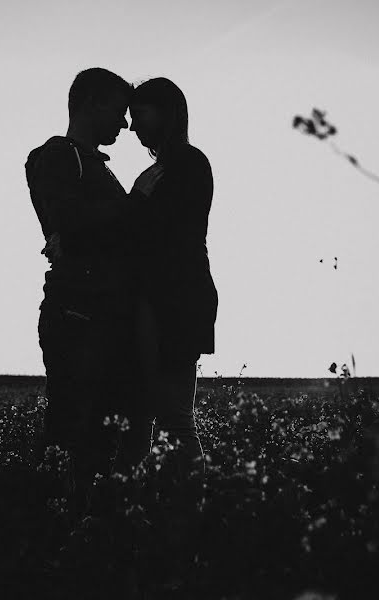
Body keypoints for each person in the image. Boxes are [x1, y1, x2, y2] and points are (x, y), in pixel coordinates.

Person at [25, 68, 162, 514]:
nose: (125, 126)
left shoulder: (90, 167)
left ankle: (83, 529)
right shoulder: (58, 156)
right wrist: (135, 204)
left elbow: (81, 230)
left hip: (98, 317)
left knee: (101, 436)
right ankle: (54, 533)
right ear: (91, 104)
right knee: (72, 431)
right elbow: (70, 222)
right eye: (119, 113)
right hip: (78, 316)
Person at [128, 77, 218, 483]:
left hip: (178, 302)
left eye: (139, 115)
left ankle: (192, 510)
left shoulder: (187, 164)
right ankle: (163, 506)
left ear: (167, 112)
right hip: (167, 300)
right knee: (155, 415)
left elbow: (162, 236)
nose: (132, 128)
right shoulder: (163, 170)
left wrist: (134, 203)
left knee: (175, 418)